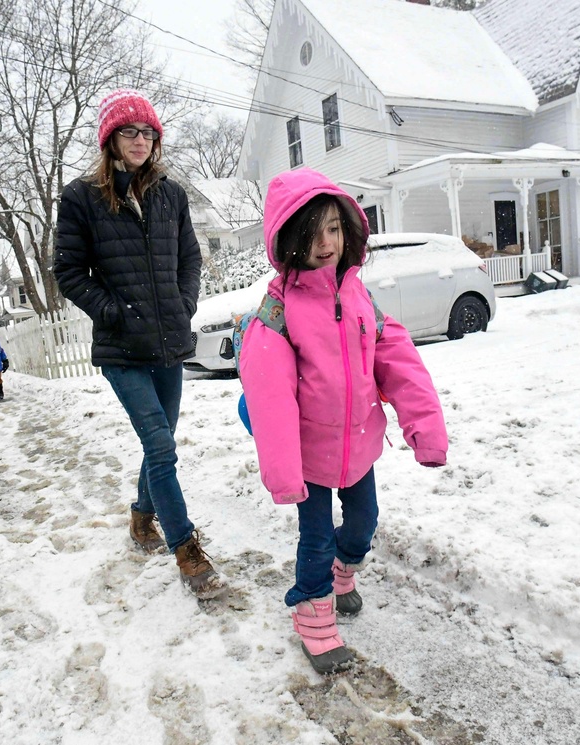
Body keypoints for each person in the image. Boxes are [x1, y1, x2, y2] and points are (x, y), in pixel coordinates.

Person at [239, 168, 448, 674]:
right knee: (315, 538)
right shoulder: (278, 310)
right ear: (289, 237)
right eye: (313, 231)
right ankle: (313, 613)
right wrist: (285, 474)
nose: (326, 242)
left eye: (334, 228)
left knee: (362, 524)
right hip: (309, 456)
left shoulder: (357, 295)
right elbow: (270, 397)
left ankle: (342, 571)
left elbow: (396, 358)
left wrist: (425, 425)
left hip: (358, 447)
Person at [53, 89, 225, 600]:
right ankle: (187, 549)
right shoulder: (80, 198)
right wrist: (113, 312)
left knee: (161, 443)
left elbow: (189, 258)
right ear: (110, 139)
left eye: (148, 133)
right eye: (129, 132)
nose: (140, 141)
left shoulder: (170, 195)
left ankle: (141, 518)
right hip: (122, 349)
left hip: (169, 341)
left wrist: (184, 301)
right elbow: (68, 272)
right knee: (159, 443)